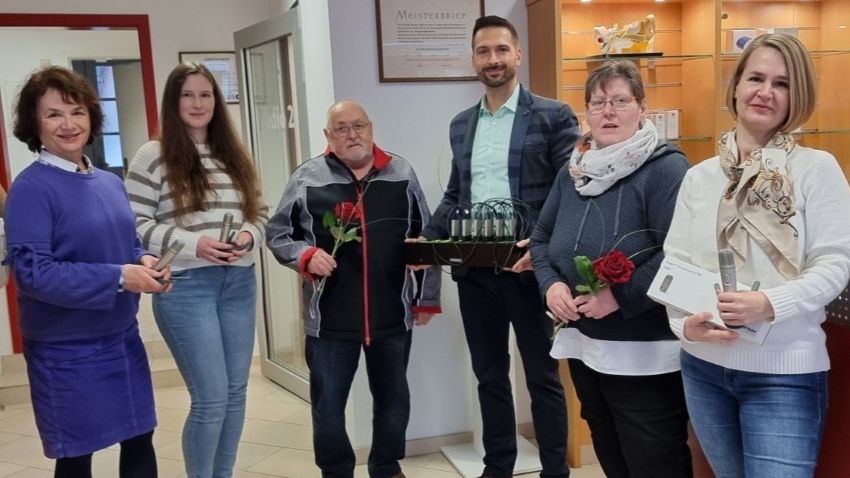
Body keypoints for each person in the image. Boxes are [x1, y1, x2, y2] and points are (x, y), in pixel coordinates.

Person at [664, 33, 850, 478]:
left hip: (785, 374)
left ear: (796, 96)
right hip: (703, 366)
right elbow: (676, 265)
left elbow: (835, 266)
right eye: (756, 78)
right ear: (736, 86)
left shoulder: (816, 168)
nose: (765, 92)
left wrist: (769, 304)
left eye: (782, 83)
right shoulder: (700, 177)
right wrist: (681, 324)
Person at [420, 15, 578, 478]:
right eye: (484, 51)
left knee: (542, 378)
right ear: (473, 58)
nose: (493, 60)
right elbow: (457, 194)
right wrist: (425, 241)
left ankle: (555, 469)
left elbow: (570, 190)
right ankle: (498, 467)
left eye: (501, 50)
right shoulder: (461, 124)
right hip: (474, 271)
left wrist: (547, 251)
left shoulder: (553, 115)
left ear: (518, 55)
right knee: (489, 377)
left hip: (531, 269)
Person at [529, 61, 692, 477]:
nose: (608, 112)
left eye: (620, 101)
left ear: (642, 107)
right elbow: (542, 237)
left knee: (654, 459)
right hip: (587, 344)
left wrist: (617, 296)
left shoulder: (666, 168)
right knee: (609, 448)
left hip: (645, 351)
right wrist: (550, 286)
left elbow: (679, 254)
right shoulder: (576, 168)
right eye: (598, 103)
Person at [3, 66, 165, 477]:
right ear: (34, 124)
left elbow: (125, 243)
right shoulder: (31, 189)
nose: (68, 124)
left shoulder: (109, 182)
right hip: (66, 350)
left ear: (91, 117)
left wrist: (143, 260)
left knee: (140, 438)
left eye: (77, 112)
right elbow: (34, 273)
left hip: (121, 336)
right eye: (54, 114)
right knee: (77, 456)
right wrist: (119, 277)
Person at [266, 100, 441, 478]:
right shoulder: (307, 177)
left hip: (392, 314)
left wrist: (426, 298)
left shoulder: (401, 172)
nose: (352, 134)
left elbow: (426, 238)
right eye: (341, 128)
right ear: (329, 136)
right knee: (327, 406)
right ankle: (335, 470)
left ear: (371, 128)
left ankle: (386, 465)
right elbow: (277, 233)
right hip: (329, 318)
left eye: (358, 125)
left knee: (394, 399)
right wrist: (306, 255)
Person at [125, 62, 268, 478]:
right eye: (187, 94)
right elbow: (134, 225)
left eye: (205, 94)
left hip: (238, 282)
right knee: (210, 399)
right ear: (173, 102)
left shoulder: (234, 154)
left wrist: (246, 237)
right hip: (187, 287)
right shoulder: (153, 155)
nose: (197, 103)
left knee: (236, 393)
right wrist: (195, 245)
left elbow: (260, 215)